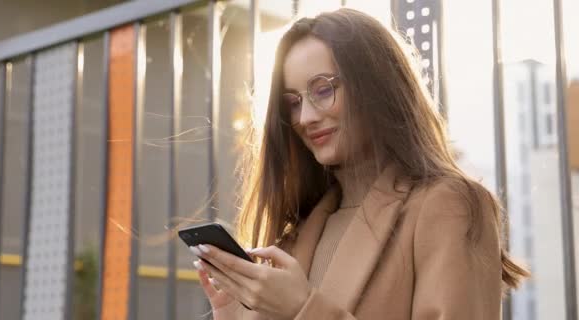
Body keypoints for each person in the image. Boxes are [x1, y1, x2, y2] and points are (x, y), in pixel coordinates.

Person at [188, 8, 530, 320]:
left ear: (376, 85)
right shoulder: (298, 234)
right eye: (292, 102)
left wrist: (303, 308)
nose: (305, 117)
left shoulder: (448, 205)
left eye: (322, 90)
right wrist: (235, 316)